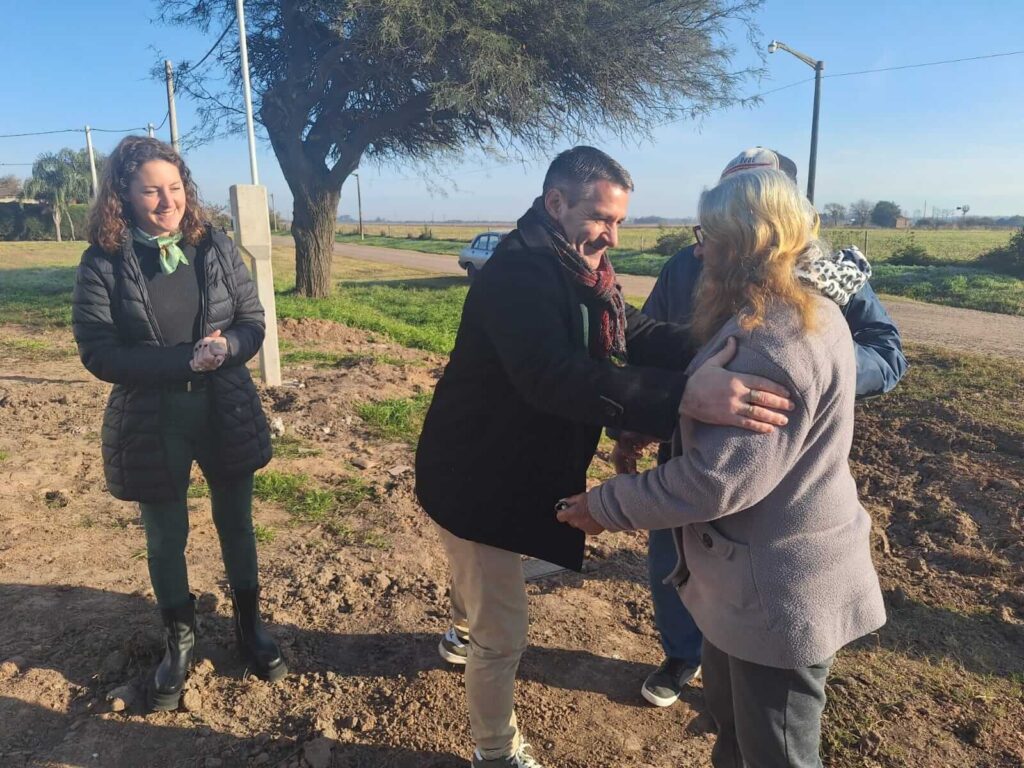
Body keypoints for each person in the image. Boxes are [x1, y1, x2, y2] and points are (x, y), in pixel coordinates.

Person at [415, 146, 797, 768]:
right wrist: (684, 397)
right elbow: (553, 377)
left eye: (620, 221)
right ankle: (493, 750)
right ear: (556, 202)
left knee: (484, 580)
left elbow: (632, 331)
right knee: (502, 632)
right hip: (474, 472)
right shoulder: (520, 275)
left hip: (517, 464)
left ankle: (462, 623)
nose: (612, 235)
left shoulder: (582, 265)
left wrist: (719, 343)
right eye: (600, 217)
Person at [557, 167, 887, 767]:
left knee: (776, 756)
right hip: (745, 591)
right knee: (734, 741)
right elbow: (720, 426)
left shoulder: (777, 338)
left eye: (709, 234)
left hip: (778, 598)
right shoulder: (784, 310)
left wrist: (605, 506)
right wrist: (652, 422)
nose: (699, 248)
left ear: (747, 240)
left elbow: (718, 480)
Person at [625, 147, 907, 709]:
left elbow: (887, 355)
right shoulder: (690, 262)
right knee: (675, 547)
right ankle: (684, 654)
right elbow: (650, 341)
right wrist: (663, 403)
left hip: (785, 455)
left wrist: (805, 379)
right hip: (691, 437)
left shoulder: (833, 276)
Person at [71, 136, 286, 712]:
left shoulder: (212, 243)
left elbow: (252, 319)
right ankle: (179, 642)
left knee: (236, 524)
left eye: (174, 189)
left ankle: (249, 626)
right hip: (153, 418)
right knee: (166, 536)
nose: (168, 202)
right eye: (151, 191)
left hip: (224, 405)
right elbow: (98, 350)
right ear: (124, 195)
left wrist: (229, 346)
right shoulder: (103, 261)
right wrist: (180, 361)